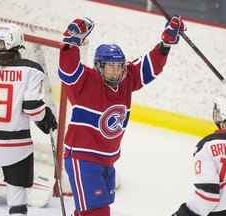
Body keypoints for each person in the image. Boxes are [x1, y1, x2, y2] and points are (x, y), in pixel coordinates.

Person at [58, 16, 185, 216]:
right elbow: (67, 71)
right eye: (111, 66)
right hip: (82, 158)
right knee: (97, 212)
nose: (117, 71)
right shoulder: (86, 81)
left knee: (96, 209)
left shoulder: (126, 81)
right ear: (99, 66)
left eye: (119, 66)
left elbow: (149, 67)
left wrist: (165, 44)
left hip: (107, 160)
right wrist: (71, 41)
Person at [0, 23, 57, 216]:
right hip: (16, 148)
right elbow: (33, 108)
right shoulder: (32, 70)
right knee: (17, 201)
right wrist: (45, 118)